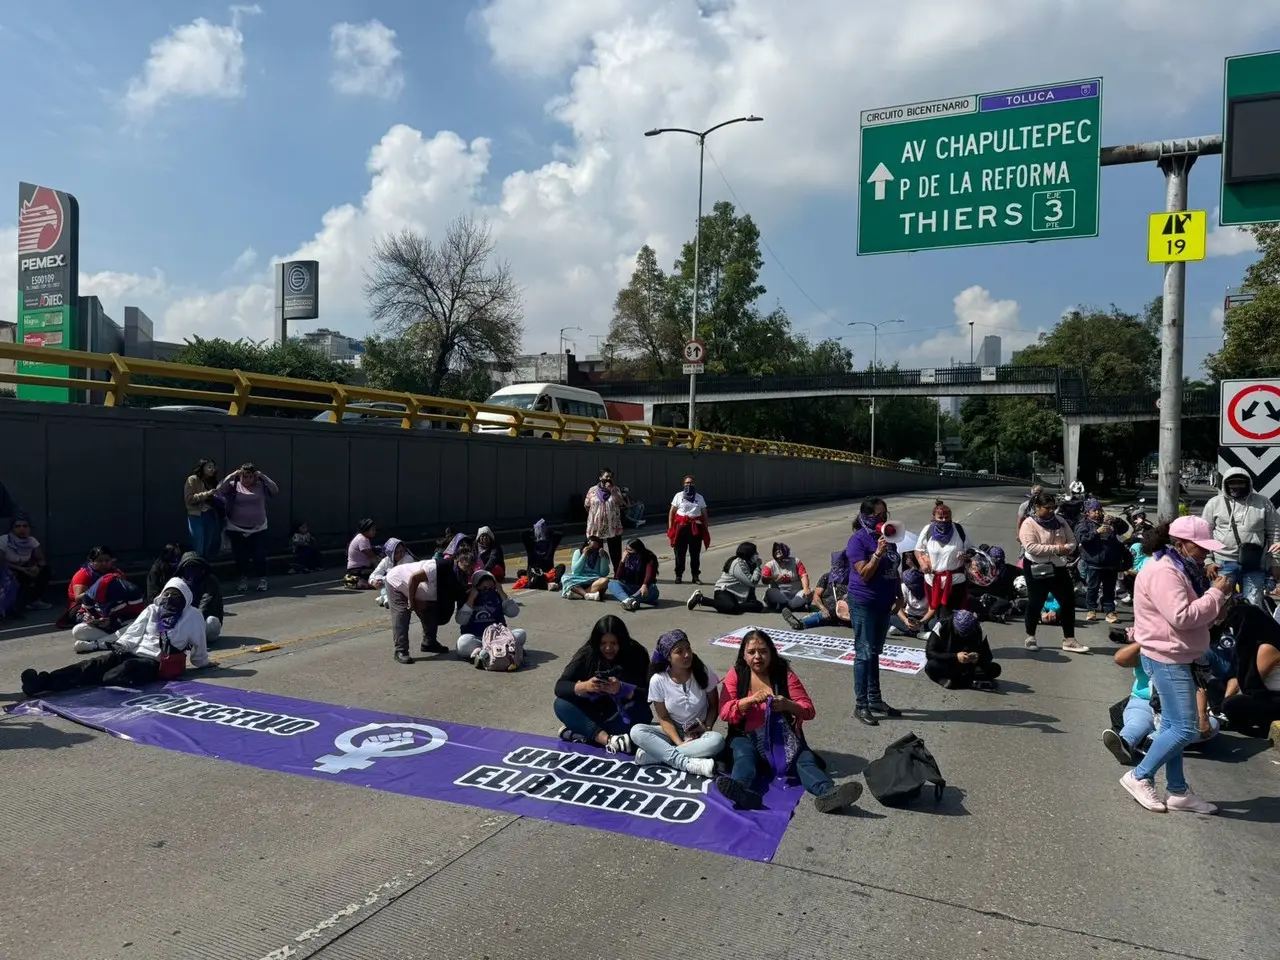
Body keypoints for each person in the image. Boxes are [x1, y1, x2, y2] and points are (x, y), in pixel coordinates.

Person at [1120, 516, 1232, 814]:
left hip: (1177, 655)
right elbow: (1181, 617)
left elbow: (1196, 614)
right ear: (1180, 543)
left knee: (1171, 725)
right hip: (1166, 657)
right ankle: (1139, 775)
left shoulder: (1180, 566)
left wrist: (1214, 595)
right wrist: (1216, 593)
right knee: (1185, 728)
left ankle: (1178, 790)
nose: (1205, 553)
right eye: (1200, 547)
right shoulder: (1164, 571)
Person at [716, 629, 863, 814]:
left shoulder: (784, 674)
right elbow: (724, 712)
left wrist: (788, 705)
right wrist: (748, 701)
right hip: (745, 736)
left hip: (784, 738)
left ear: (771, 652)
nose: (757, 657)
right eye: (751, 652)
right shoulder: (736, 674)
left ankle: (829, 793)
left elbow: (808, 710)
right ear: (743, 655)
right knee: (744, 756)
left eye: (763, 651)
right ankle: (741, 790)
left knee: (805, 761)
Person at [21, 578, 212, 698]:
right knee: (90, 666)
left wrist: (201, 662)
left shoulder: (192, 616)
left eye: (175, 594)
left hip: (153, 662)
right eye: (167, 593)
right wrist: (121, 645)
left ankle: (97, 679)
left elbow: (199, 644)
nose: (170, 597)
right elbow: (135, 630)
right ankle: (41, 683)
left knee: (112, 675)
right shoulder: (154, 610)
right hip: (131, 652)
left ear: (185, 597)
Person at [629, 629, 724, 777]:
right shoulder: (658, 680)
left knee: (717, 740)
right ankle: (687, 764)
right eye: (679, 651)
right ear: (669, 657)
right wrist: (679, 743)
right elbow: (664, 718)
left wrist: (707, 727)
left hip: (699, 734)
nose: (687, 654)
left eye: (688, 648)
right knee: (636, 731)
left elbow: (713, 704)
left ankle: (654, 756)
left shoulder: (702, 671)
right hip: (672, 733)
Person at [553, 614, 652, 752]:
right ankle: (607, 739)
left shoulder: (637, 653)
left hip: (620, 715)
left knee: (643, 713)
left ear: (622, 642)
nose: (608, 648)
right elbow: (560, 687)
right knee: (561, 704)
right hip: (594, 712)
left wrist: (623, 689)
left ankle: (583, 733)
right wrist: (586, 686)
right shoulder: (587, 653)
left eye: (613, 643)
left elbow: (650, 696)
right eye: (603, 643)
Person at [846, 498, 902, 726]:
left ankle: (875, 699)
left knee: (875, 653)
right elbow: (865, 574)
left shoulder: (889, 537)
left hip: (883, 603)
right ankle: (861, 705)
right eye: (879, 516)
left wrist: (899, 595)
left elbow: (893, 569)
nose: (883, 519)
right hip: (863, 603)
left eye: (885, 514)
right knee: (864, 653)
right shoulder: (857, 541)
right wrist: (877, 553)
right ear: (867, 517)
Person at [1018, 491, 1088, 653]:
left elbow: (1072, 541)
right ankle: (1030, 636)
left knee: (1068, 601)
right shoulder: (1029, 524)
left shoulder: (1060, 521)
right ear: (1037, 507)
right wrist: (1058, 549)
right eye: (1047, 508)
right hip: (1036, 567)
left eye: (1053, 507)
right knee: (1036, 601)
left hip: (1057, 566)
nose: (1051, 511)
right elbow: (1031, 547)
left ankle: (1069, 639)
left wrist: (1066, 550)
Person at [1201, 467, 1280, 609]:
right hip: (1222, 562)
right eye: (1232, 483)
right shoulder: (1214, 503)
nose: (1236, 486)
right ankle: (1221, 632)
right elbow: (1205, 534)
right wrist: (1208, 560)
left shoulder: (1263, 503)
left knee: (1254, 605)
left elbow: (1275, 532)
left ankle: (1250, 632)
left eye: (1240, 483)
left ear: (1248, 484)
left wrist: (1275, 562)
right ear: (1225, 484)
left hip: (1255, 563)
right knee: (1219, 605)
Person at [383, 552, 473, 664]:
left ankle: (429, 643)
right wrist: (412, 601)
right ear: (457, 561)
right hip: (398, 581)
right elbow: (414, 578)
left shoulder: (460, 577)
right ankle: (401, 650)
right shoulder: (437, 567)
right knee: (402, 614)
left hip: (420, 591)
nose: (468, 571)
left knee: (430, 610)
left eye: (471, 568)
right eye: (466, 567)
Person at [1218, 598, 1280, 736]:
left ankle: (1254, 724)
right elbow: (1236, 676)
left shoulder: (1268, 647)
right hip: (1262, 693)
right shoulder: (1251, 646)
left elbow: (1250, 683)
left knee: (1234, 705)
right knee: (1215, 686)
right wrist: (1226, 697)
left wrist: (1227, 702)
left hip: (1273, 695)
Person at [219, 463, 279, 592]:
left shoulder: (260, 486)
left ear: (254, 476)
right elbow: (220, 489)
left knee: (259, 555)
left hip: (258, 528)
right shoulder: (234, 485)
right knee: (241, 556)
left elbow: (274, 490)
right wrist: (232, 475)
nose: (247, 479)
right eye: (244, 476)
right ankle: (242, 579)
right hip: (237, 528)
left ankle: (262, 579)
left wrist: (263, 476)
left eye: (250, 476)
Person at [145, 546, 224, 643]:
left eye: (195, 568)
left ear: (202, 569)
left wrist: (191, 626)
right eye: (189, 569)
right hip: (185, 623)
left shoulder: (211, 581)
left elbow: (204, 607)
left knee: (212, 621)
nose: (192, 573)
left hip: (203, 621)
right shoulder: (179, 582)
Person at [1075, 499, 1128, 625]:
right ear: (1088, 512)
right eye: (1094, 511)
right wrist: (1096, 532)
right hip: (1094, 563)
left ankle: (1110, 611)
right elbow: (1082, 538)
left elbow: (1124, 530)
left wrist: (1116, 521)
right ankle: (1091, 609)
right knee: (1093, 588)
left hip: (1111, 562)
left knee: (1109, 589)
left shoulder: (1109, 522)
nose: (1098, 513)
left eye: (1099, 510)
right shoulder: (1084, 524)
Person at [455, 569, 525, 662]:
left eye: (491, 588)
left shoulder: (498, 596)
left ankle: (486, 653)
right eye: (484, 588)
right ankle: (501, 650)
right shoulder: (467, 597)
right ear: (476, 587)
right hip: (477, 639)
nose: (488, 591)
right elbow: (461, 620)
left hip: (499, 638)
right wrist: (471, 598)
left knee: (521, 633)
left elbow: (514, 612)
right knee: (463, 643)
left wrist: (501, 592)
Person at [915, 501, 971, 614]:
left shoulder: (959, 530)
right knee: (935, 612)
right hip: (933, 581)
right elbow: (918, 550)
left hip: (955, 581)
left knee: (948, 614)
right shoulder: (928, 530)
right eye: (940, 518)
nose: (944, 520)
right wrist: (922, 563)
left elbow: (971, 550)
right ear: (934, 517)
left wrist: (966, 556)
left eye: (947, 517)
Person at [924, 609, 1002, 690]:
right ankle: (967, 683)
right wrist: (955, 656)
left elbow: (988, 656)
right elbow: (930, 653)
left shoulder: (978, 629)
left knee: (995, 669)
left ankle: (960, 682)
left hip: (968, 666)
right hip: (948, 662)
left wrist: (977, 658)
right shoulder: (942, 625)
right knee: (930, 666)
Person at [68, 572, 147, 652]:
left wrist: (112, 622)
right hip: (108, 631)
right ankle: (115, 641)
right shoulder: (89, 596)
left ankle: (95, 645)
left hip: (122, 626)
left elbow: (137, 617)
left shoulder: (132, 592)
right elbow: (82, 614)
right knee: (77, 630)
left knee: (139, 626)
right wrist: (89, 619)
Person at [686, 542, 764, 615]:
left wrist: (751, 599)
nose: (757, 554)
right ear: (748, 554)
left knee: (758, 606)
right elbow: (752, 582)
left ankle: (729, 606)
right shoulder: (738, 564)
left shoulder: (750, 563)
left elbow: (750, 587)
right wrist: (758, 567)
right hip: (724, 591)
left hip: (738, 594)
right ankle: (700, 599)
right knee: (731, 608)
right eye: (754, 553)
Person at [783, 551, 850, 631]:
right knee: (817, 617)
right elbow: (816, 595)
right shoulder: (826, 577)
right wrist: (823, 609)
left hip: (847, 614)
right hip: (827, 613)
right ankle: (798, 624)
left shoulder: (853, 578)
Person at [0, 513, 51, 614]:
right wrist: (21, 569)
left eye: (25, 526)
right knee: (16, 578)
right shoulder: (4, 540)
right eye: (18, 526)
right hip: (7, 570)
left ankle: (34, 600)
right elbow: (1, 563)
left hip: (25, 569)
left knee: (46, 570)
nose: (22, 529)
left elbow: (41, 560)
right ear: (12, 528)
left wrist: (37, 567)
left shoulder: (32, 541)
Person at [668, 475, 710, 585]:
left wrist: (705, 528)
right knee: (679, 553)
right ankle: (678, 575)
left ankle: (695, 576)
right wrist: (670, 526)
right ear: (683, 484)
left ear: (694, 484)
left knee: (695, 553)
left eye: (691, 483)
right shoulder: (678, 496)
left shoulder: (699, 498)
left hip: (695, 528)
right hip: (681, 528)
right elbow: (672, 512)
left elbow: (704, 514)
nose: (688, 485)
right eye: (687, 483)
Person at [585, 468, 626, 572]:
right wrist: (594, 516)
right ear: (600, 478)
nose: (609, 479)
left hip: (612, 526)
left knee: (615, 551)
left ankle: (618, 572)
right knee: (595, 550)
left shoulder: (615, 489)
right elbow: (587, 505)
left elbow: (621, 503)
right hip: (596, 526)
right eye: (606, 476)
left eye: (610, 477)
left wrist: (611, 490)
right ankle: (595, 572)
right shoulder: (592, 490)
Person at [183, 458, 223, 561]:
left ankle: (204, 568)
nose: (212, 469)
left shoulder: (212, 481)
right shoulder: (193, 479)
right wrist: (207, 494)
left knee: (207, 546)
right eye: (209, 467)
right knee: (198, 545)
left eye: (213, 467)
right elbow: (189, 499)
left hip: (210, 514)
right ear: (202, 468)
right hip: (196, 515)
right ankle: (196, 568)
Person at [607, 537, 660, 611]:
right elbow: (618, 576)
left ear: (637, 550)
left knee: (653, 588)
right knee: (612, 584)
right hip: (629, 586)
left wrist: (645, 585)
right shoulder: (627, 558)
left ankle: (629, 600)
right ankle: (628, 600)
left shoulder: (649, 557)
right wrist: (622, 561)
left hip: (643, 589)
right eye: (626, 550)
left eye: (630, 550)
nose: (627, 552)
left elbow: (649, 574)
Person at [761, 542, 812, 612]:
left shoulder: (796, 561)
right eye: (775, 550)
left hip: (796, 594)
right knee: (769, 592)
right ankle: (795, 605)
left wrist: (806, 588)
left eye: (780, 549)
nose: (777, 551)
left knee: (811, 591)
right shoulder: (770, 565)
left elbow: (803, 575)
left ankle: (788, 605)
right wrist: (775, 578)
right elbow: (764, 579)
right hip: (780, 594)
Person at [561, 535, 612, 600]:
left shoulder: (601, 555)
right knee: (565, 577)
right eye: (591, 548)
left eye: (595, 548)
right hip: (579, 578)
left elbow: (603, 573)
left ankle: (579, 594)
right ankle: (586, 595)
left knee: (605, 580)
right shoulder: (578, 552)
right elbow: (576, 571)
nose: (593, 550)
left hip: (594, 579)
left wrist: (603, 558)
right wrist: (584, 555)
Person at [518, 519, 564, 590]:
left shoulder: (550, 543)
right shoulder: (531, 544)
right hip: (535, 571)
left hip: (548, 573)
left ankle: (550, 582)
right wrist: (534, 530)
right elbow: (523, 535)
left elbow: (559, 535)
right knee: (521, 572)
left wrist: (547, 530)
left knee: (561, 566)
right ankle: (545, 584)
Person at [890, 567, 934, 638]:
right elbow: (898, 607)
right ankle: (918, 634)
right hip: (909, 617)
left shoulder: (929, 587)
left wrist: (921, 622)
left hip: (925, 619)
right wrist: (905, 620)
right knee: (890, 617)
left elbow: (932, 609)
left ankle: (905, 632)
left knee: (935, 623)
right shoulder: (904, 587)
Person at [371, 538, 413, 608]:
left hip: (405, 585)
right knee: (382, 583)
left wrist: (382, 580)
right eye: (396, 552)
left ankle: (385, 598)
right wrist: (374, 581)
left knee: (388, 583)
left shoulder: (408, 559)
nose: (400, 554)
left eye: (402, 551)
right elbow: (375, 574)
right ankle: (385, 598)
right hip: (390, 586)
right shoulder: (386, 560)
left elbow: (398, 576)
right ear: (390, 553)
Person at [344, 519, 379, 589]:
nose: (375, 532)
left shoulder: (359, 537)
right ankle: (359, 581)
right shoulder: (363, 540)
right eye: (373, 530)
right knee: (378, 579)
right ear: (366, 531)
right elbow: (373, 558)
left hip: (355, 569)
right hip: (357, 570)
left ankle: (356, 581)